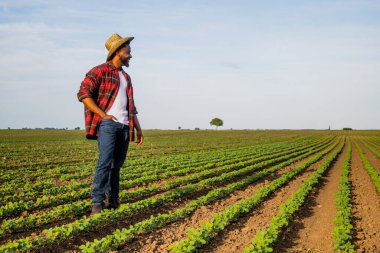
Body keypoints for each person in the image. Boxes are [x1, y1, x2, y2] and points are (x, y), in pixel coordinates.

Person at [77, 33, 143, 215]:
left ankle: (113, 202)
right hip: (108, 125)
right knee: (105, 164)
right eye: (128, 52)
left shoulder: (126, 77)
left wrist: (137, 127)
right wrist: (103, 115)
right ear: (118, 52)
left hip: (124, 126)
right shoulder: (100, 71)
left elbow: (131, 106)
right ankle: (96, 204)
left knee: (116, 166)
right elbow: (83, 93)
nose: (131, 55)